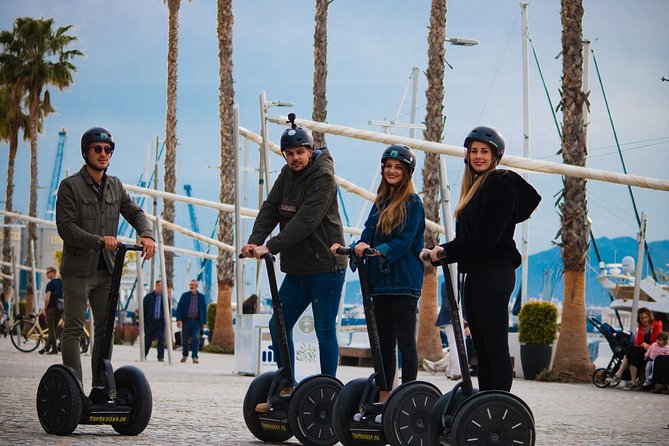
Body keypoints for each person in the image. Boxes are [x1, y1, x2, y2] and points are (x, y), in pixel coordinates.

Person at [421, 126, 541, 392]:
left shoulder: (499, 183)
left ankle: (499, 408)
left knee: (495, 347)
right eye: (474, 151)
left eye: (484, 151)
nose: (478, 156)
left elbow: (486, 238)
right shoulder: (476, 187)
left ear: (495, 155)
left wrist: (445, 251)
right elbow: (473, 241)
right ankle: (485, 403)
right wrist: (443, 251)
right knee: (483, 349)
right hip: (476, 274)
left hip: (494, 274)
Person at [241, 114, 347, 408]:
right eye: (290, 154)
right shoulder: (287, 174)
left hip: (326, 267)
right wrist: (254, 240)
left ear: (311, 151)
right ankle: (287, 383)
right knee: (279, 324)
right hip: (299, 268)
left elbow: (305, 222)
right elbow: (270, 208)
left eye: (300, 152)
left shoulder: (323, 176)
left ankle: (329, 393)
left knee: (324, 330)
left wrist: (270, 246)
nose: (295, 158)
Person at [56, 126, 156, 402]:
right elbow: (66, 227)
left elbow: (134, 211)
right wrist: (98, 240)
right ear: (86, 152)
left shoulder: (115, 186)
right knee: (74, 329)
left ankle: (100, 387)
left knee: (105, 329)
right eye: (97, 149)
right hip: (79, 269)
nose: (103, 154)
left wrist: (146, 233)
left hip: (107, 270)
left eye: (108, 150)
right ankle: (74, 391)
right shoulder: (70, 187)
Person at [332, 144, 425, 402]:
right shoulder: (381, 202)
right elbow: (367, 234)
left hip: (404, 282)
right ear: (382, 169)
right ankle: (385, 397)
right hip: (380, 283)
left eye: (398, 167)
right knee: (383, 343)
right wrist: (353, 248)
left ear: (407, 172)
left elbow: (405, 241)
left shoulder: (413, 202)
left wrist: (379, 251)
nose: (392, 171)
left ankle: (409, 398)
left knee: (405, 343)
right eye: (388, 166)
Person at [609, 307, 664, 390]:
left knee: (630, 350)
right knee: (632, 355)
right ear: (639, 318)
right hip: (643, 350)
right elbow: (638, 342)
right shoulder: (641, 327)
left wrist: (649, 345)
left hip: (653, 351)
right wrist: (643, 344)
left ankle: (620, 375)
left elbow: (659, 341)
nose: (644, 320)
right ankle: (632, 382)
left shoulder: (656, 326)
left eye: (646, 317)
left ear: (649, 317)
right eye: (642, 318)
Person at [423, 280, 462, 380]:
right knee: (457, 345)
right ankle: (450, 369)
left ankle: (454, 370)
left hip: (450, 318)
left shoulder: (446, 283)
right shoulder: (462, 282)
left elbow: (445, 304)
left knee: (453, 344)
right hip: (458, 317)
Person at [176, 280, 207, 364]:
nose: (191, 286)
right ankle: (185, 355)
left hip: (196, 322)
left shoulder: (201, 297)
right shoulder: (184, 296)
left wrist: (204, 322)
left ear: (197, 286)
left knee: (195, 338)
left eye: (193, 285)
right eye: (190, 285)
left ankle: (194, 356)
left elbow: (204, 310)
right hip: (186, 321)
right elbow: (179, 308)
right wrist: (178, 319)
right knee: (185, 339)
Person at [39, 266, 63, 355]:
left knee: (51, 329)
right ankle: (47, 347)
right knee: (55, 328)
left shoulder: (50, 284)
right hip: (61, 308)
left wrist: (45, 308)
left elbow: (47, 299)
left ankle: (54, 349)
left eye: (48, 272)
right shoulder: (62, 282)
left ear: (53, 272)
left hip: (51, 308)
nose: (47, 274)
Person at [143, 280, 166, 362]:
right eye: (158, 286)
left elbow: (167, 312)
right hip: (150, 322)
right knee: (148, 340)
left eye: (161, 286)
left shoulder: (165, 299)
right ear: (155, 286)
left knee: (161, 339)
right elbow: (144, 311)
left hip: (160, 323)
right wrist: (145, 322)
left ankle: (160, 356)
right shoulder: (148, 297)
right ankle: (143, 355)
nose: (159, 288)